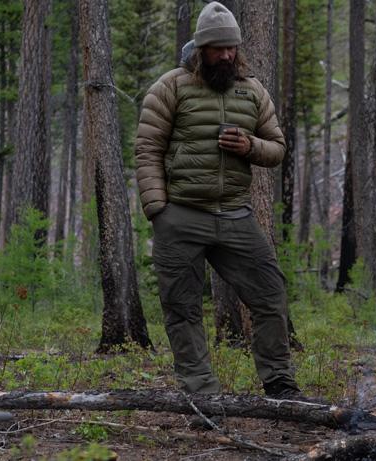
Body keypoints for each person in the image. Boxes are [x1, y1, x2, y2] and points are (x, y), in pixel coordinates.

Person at [135, 2, 301, 399]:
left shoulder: (252, 90)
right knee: (182, 307)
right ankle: (202, 395)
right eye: (217, 48)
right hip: (181, 217)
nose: (226, 55)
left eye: (231, 48)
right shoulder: (171, 87)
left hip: (236, 216)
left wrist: (250, 146)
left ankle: (279, 384)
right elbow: (146, 148)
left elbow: (278, 148)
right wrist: (159, 210)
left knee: (269, 294)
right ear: (200, 48)